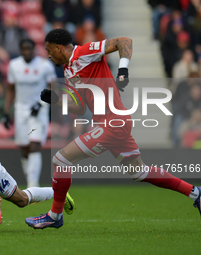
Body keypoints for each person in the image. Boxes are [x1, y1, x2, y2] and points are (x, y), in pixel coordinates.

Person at [25, 28, 201, 229]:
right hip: (113, 122)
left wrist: (123, 69)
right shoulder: (68, 70)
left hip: (112, 122)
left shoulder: (85, 52)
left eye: (49, 50)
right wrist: (56, 100)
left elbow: (123, 41)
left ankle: (55, 216)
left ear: (58, 48)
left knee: (61, 159)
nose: (48, 55)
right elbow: (81, 106)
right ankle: (196, 193)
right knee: (139, 172)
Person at [3, 38, 57, 188]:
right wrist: (6, 112)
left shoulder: (45, 66)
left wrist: (41, 104)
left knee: (35, 144)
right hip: (21, 110)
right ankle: (30, 180)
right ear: (20, 50)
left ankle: (33, 185)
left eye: (29, 49)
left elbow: (53, 88)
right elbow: (10, 89)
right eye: (24, 49)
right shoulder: (14, 65)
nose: (27, 52)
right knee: (25, 147)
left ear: (34, 49)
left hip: (39, 109)